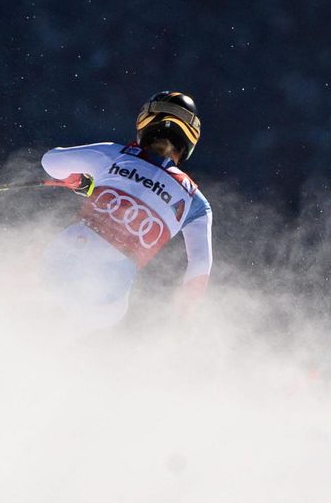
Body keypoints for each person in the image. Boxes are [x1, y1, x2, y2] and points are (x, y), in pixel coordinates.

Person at [39, 91, 213, 332]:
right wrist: (185, 315)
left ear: (145, 122)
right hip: (109, 293)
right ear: (190, 140)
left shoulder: (114, 154)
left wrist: (79, 179)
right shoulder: (196, 202)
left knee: (34, 309)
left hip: (67, 256)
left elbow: (50, 161)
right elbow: (200, 264)